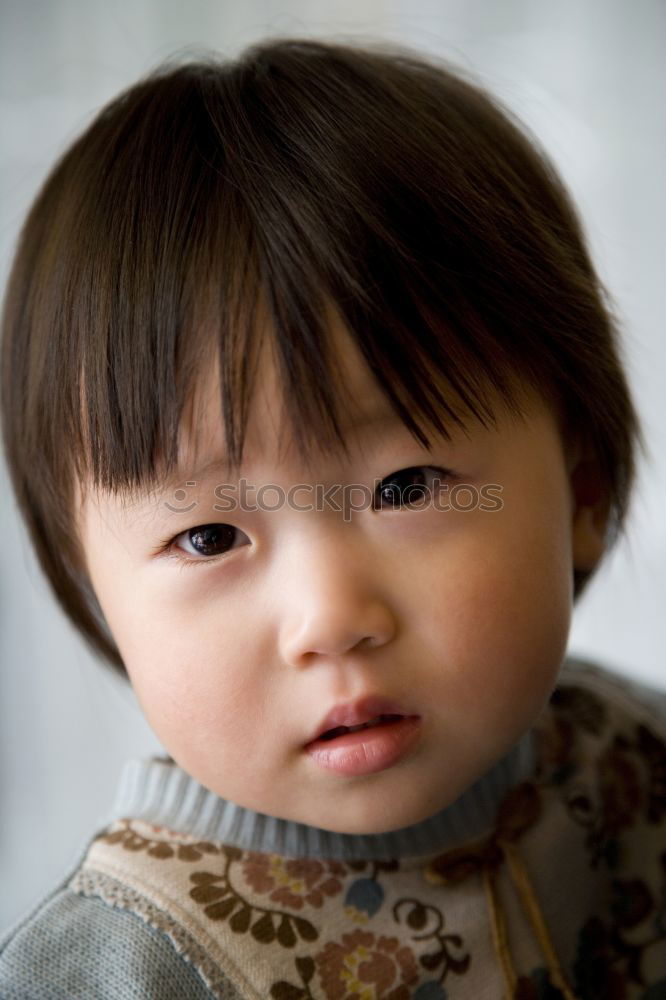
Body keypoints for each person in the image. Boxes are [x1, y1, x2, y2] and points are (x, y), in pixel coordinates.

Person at [0, 36, 663, 1000]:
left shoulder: (631, 766)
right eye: (210, 536)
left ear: (586, 494)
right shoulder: (125, 970)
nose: (330, 617)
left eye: (405, 487)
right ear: (98, 593)